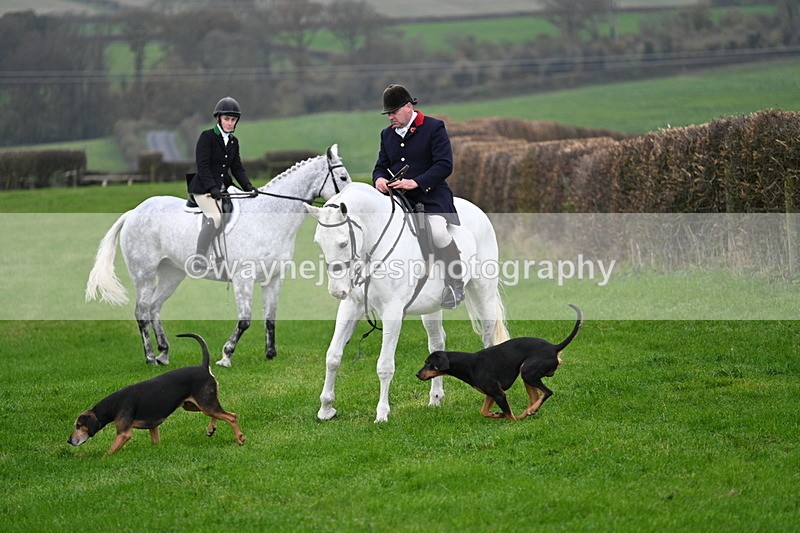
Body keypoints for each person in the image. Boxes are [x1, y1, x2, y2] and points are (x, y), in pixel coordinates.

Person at [372, 84, 464, 309]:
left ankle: (455, 283)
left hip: (431, 197)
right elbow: (380, 167)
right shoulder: (387, 135)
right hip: (400, 200)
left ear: (408, 106)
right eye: (388, 114)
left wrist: (416, 182)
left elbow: (444, 165)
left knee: (438, 231)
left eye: (394, 112)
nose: (390, 117)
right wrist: (379, 180)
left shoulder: (433, 127)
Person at [187, 96, 256, 272]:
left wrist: (249, 188)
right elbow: (202, 166)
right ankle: (199, 258)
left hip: (222, 188)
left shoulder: (233, 142)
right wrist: (212, 188)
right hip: (203, 188)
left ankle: (221, 256)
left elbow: (237, 168)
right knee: (216, 217)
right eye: (226, 119)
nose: (229, 123)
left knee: (235, 214)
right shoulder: (207, 137)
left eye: (233, 120)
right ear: (219, 118)